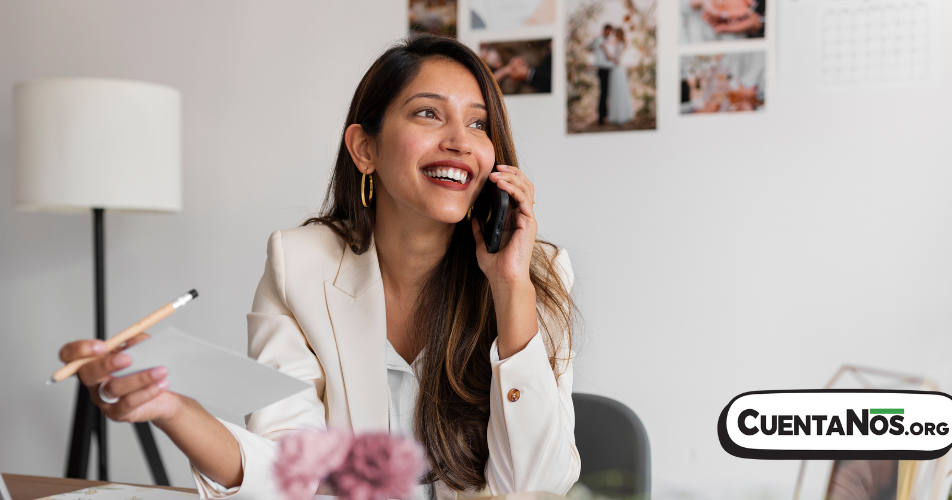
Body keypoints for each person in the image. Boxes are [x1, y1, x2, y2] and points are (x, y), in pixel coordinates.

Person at [56, 34, 580, 499]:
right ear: (364, 148)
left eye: (478, 123)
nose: (460, 141)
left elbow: (537, 485)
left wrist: (510, 288)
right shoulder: (299, 264)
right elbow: (291, 474)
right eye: (428, 113)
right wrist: (174, 409)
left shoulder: (536, 272)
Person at [602, 28, 634, 125]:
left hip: (617, 69)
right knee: (618, 92)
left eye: (615, 34)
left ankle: (619, 116)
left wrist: (607, 54)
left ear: (618, 35)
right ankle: (620, 114)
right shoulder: (620, 44)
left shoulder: (620, 45)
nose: (614, 35)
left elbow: (617, 60)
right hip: (618, 70)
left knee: (618, 92)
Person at [589, 24, 614, 124]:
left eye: (610, 31)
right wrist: (614, 59)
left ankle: (605, 115)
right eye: (607, 30)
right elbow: (607, 54)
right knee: (603, 93)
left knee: (606, 93)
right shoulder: (600, 40)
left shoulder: (604, 40)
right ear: (604, 30)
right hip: (602, 69)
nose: (608, 33)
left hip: (606, 69)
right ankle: (601, 117)